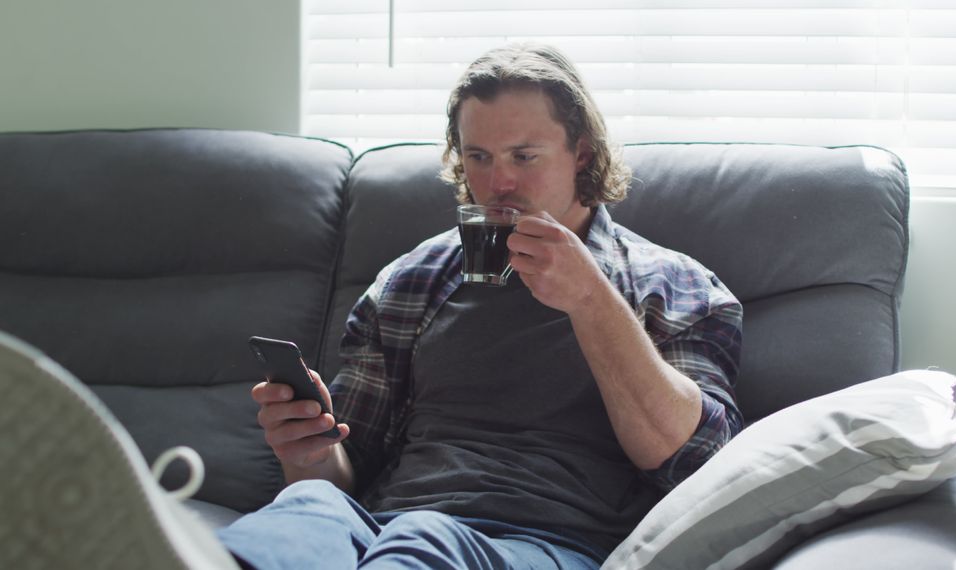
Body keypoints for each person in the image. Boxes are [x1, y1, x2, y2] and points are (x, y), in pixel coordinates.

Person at [4, 43, 742, 570]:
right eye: (478, 158)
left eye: (524, 156)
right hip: (379, 521)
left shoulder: (671, 287)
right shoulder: (412, 282)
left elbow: (693, 462)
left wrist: (590, 300)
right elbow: (351, 472)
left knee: (423, 542)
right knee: (301, 516)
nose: (499, 185)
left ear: (580, 152)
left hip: (543, 541)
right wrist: (310, 451)